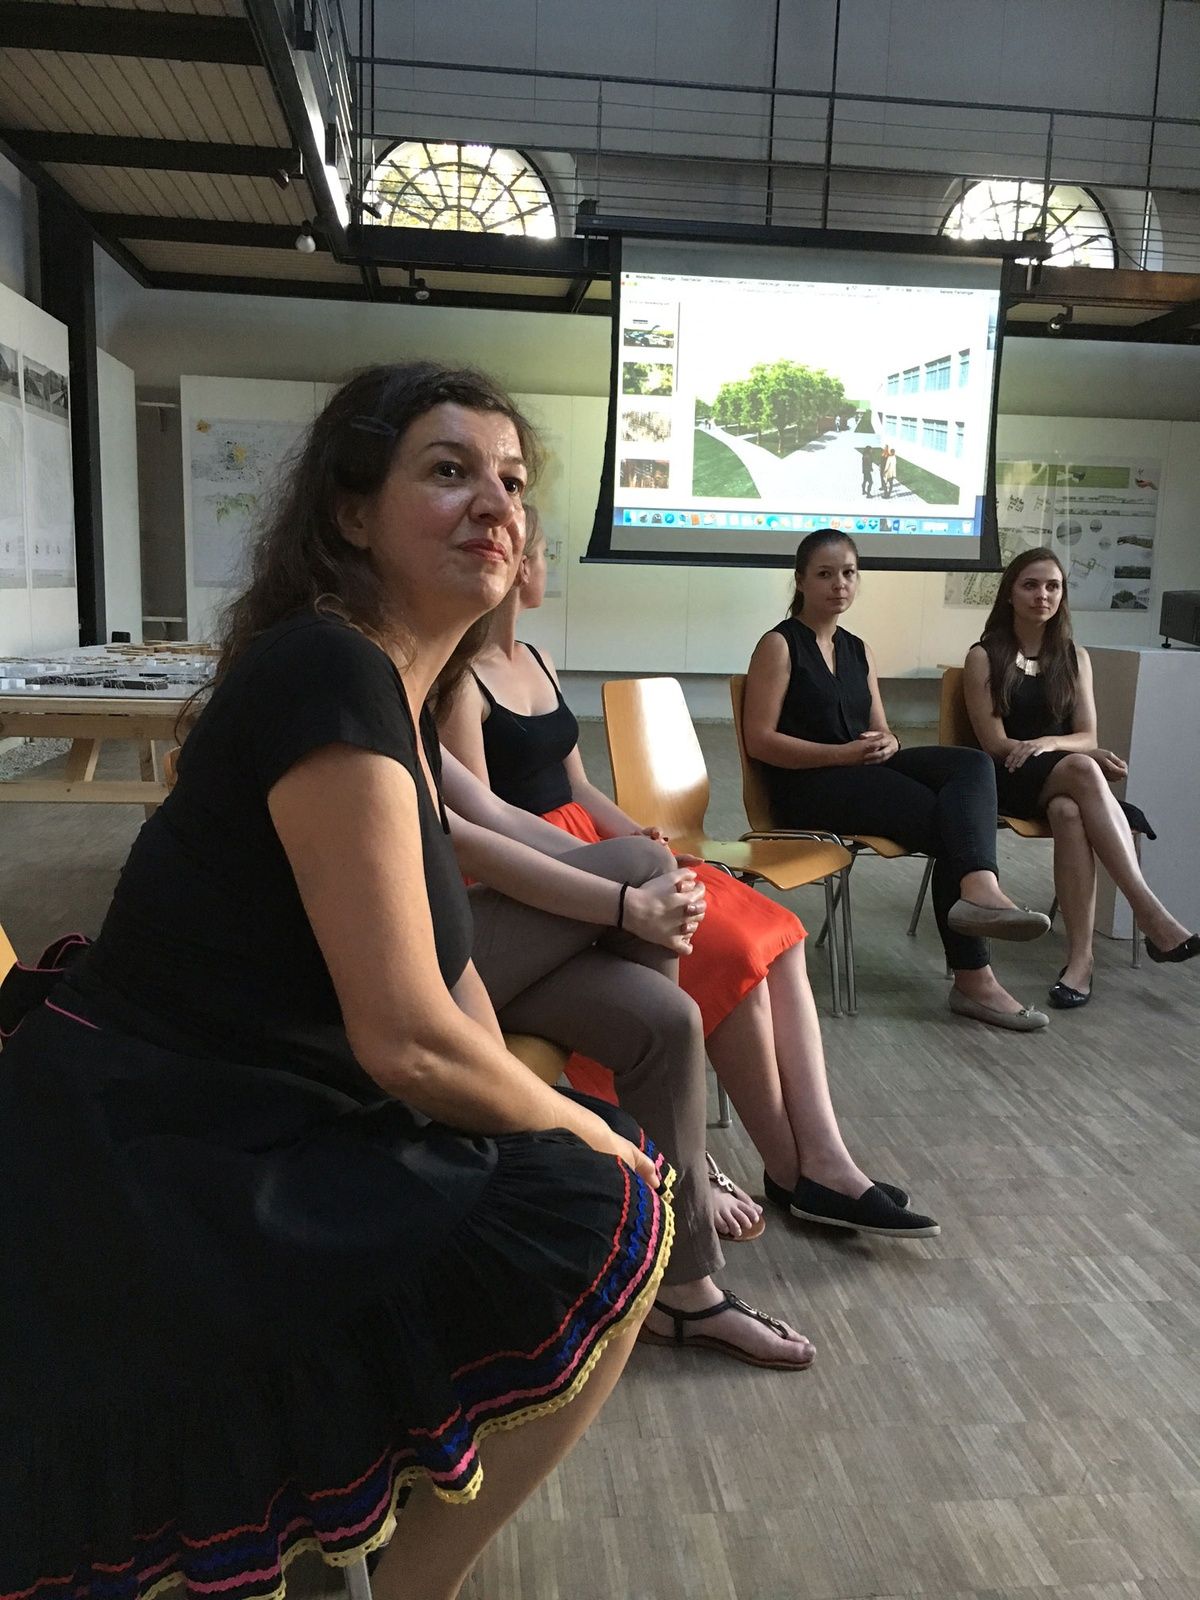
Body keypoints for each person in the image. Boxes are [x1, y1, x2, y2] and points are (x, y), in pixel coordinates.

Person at [0, 364, 677, 1600]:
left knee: (594, 1164)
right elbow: (409, 1039)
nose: (496, 504)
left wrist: (576, 1126)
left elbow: (454, 982)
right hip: (161, 1136)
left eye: (511, 480)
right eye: (449, 470)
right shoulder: (328, 670)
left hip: (251, 1095)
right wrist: (582, 1132)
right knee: (603, 1211)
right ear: (352, 512)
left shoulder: (394, 688)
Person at [439, 506, 938, 1241]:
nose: (546, 569)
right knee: (733, 951)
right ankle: (791, 1170)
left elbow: (578, 787)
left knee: (778, 934)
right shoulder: (462, 682)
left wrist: (639, 838)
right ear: (516, 569)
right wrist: (614, 872)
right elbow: (484, 822)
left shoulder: (537, 659)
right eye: (543, 556)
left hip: (590, 845)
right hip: (538, 871)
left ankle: (824, 1157)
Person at [439, 747, 817, 1368]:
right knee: (645, 865)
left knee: (668, 1019)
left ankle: (683, 1287)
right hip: (405, 960)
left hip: (460, 943)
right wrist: (622, 899)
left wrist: (633, 879)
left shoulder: (407, 702)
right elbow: (457, 840)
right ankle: (658, 1175)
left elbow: (492, 812)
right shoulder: (354, 694)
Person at [743, 528, 1053, 1032]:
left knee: (971, 765)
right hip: (807, 788)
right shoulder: (779, 645)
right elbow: (760, 741)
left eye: (848, 573)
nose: (839, 584)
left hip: (860, 773)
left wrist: (888, 742)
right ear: (800, 580)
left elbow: (881, 728)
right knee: (948, 819)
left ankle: (979, 890)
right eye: (824, 574)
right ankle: (975, 978)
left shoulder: (857, 649)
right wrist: (842, 754)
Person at [964, 547, 1197, 1006]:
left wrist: (1050, 743)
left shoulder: (1075, 657)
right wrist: (1066, 753)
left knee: (1069, 812)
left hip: (1064, 778)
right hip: (1006, 777)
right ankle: (1149, 912)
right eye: (1031, 585)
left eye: (1053, 586)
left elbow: (1087, 735)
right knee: (1083, 767)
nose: (1042, 595)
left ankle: (1080, 963)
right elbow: (994, 743)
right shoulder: (983, 655)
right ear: (1010, 593)